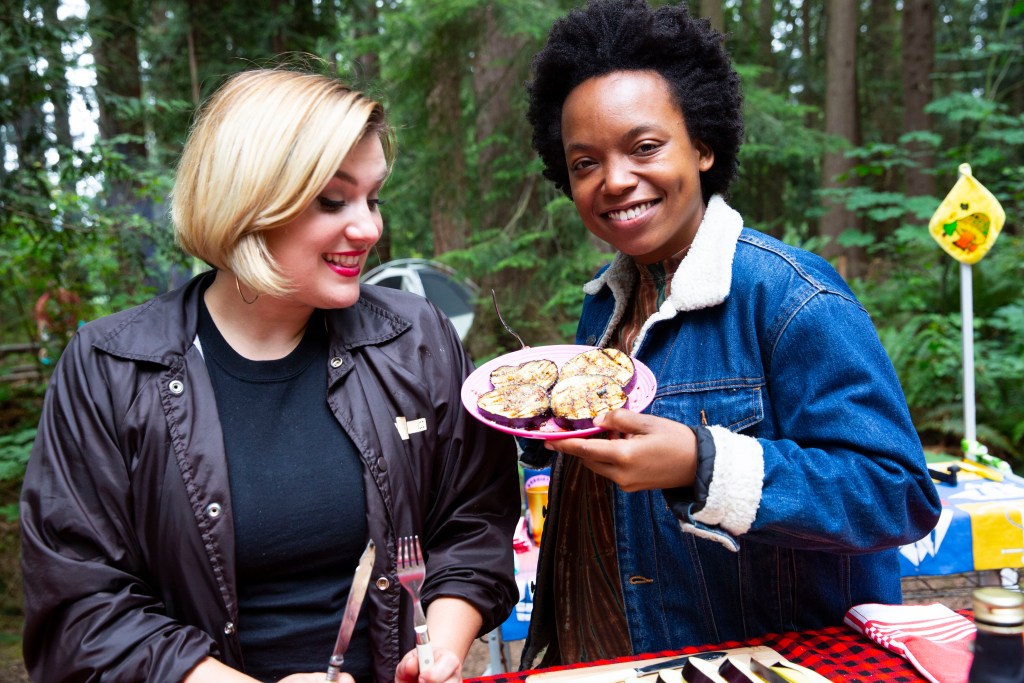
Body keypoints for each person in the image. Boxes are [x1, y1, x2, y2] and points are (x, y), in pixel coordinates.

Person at [19, 65, 521, 683]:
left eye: (373, 197)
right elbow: (80, 610)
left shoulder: (415, 338)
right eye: (332, 201)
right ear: (248, 201)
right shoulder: (110, 367)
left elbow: (474, 521)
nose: (368, 228)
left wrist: (440, 649)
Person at [518, 0, 942, 668]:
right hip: (611, 653)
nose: (615, 179)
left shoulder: (792, 298)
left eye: (644, 146)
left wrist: (704, 463)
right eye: (584, 162)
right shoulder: (602, 308)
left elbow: (899, 493)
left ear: (704, 146)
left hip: (762, 663)